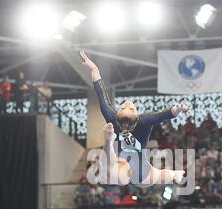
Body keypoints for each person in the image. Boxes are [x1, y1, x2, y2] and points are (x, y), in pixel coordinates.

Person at [81, 50, 188, 186]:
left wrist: (94, 68)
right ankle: (174, 174)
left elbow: (101, 92)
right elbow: (166, 114)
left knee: (115, 175)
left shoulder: (112, 117)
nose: (127, 104)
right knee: (154, 176)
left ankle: (108, 141)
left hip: (124, 166)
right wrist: (178, 108)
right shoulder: (144, 120)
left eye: (125, 107)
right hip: (138, 168)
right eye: (128, 108)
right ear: (137, 116)